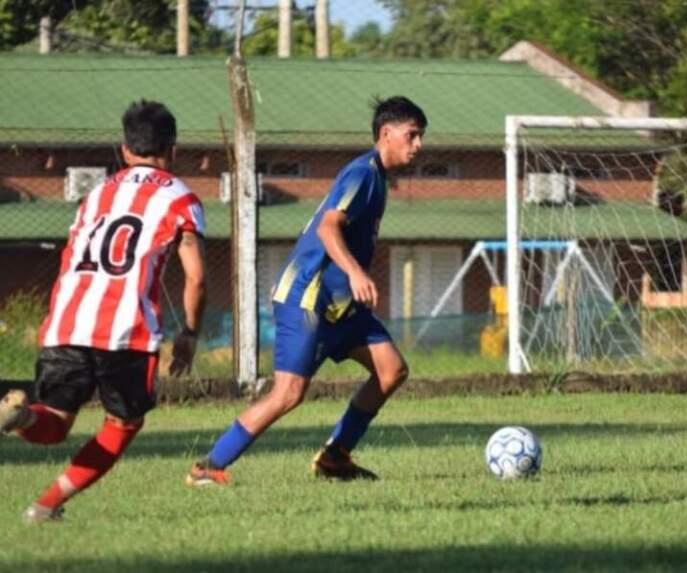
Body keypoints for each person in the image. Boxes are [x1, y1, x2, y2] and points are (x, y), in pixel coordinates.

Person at [187, 95, 427, 485]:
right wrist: (356, 273)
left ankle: (335, 457)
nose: (418, 146)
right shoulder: (361, 175)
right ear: (386, 133)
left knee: (391, 370)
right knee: (288, 394)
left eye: (420, 137)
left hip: (341, 307)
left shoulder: (377, 178)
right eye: (411, 135)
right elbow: (327, 228)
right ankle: (208, 467)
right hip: (308, 298)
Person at [0, 100, 207, 523]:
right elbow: (198, 277)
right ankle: (45, 506)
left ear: (124, 149)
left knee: (53, 423)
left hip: (67, 321)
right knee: (123, 425)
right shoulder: (182, 198)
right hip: (126, 330)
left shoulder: (96, 194)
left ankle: (20, 416)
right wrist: (188, 335)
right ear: (173, 149)